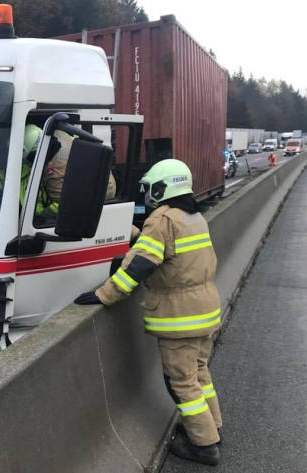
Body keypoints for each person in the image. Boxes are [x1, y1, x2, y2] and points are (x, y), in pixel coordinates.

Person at [75, 159, 223, 466]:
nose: (146, 195)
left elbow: (139, 266)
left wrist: (104, 295)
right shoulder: (192, 217)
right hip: (206, 309)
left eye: (149, 188)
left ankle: (204, 445)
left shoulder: (162, 219)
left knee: (180, 381)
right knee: (198, 373)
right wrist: (133, 232)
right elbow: (167, 251)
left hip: (181, 316)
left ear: (162, 188)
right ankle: (212, 426)